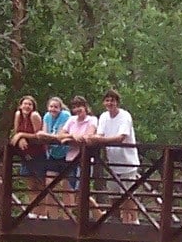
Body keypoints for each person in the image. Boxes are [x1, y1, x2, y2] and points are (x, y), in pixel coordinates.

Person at [95, 91, 139, 223]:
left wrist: (102, 140)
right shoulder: (103, 117)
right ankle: (119, 219)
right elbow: (100, 135)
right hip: (112, 162)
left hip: (128, 161)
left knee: (128, 194)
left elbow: (121, 137)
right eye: (107, 100)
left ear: (117, 102)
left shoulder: (125, 116)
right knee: (114, 193)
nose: (110, 103)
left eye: (112, 101)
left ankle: (133, 220)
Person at [58, 96, 97, 215]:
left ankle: (97, 214)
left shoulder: (92, 120)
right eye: (74, 107)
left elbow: (88, 136)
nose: (77, 110)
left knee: (82, 190)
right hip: (71, 158)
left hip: (84, 159)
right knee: (73, 190)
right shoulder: (71, 120)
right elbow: (60, 135)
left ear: (85, 107)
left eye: (79, 106)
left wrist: (70, 137)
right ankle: (79, 217)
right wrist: (73, 137)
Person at [39, 96, 71, 215]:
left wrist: (47, 137)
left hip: (66, 154)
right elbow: (44, 133)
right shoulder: (47, 116)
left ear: (60, 108)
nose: (53, 109)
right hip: (52, 154)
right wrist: (48, 137)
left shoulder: (66, 116)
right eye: (51, 107)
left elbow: (60, 135)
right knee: (49, 185)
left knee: (67, 187)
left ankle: (68, 217)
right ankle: (52, 216)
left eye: (56, 107)